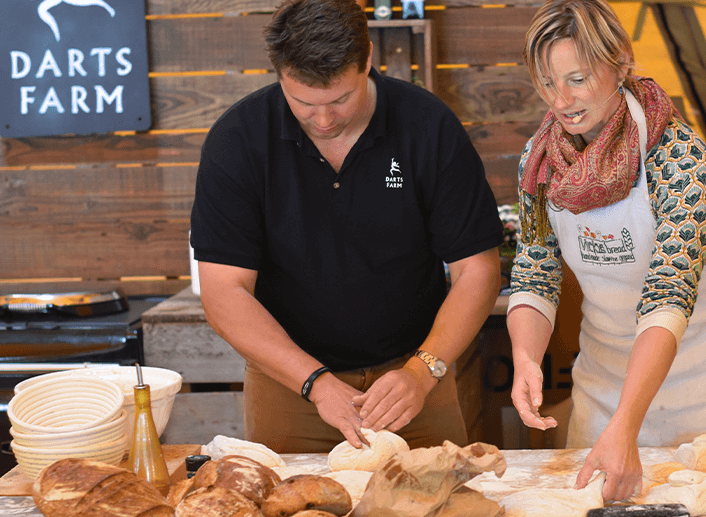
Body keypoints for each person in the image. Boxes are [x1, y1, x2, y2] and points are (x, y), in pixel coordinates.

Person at [190, 0, 502, 453]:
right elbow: (224, 292)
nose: (323, 119)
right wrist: (314, 382)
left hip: (414, 378)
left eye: (340, 99)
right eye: (302, 102)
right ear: (279, 75)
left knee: (437, 516)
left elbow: (478, 270)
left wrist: (421, 371)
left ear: (367, 60)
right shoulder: (237, 140)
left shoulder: (428, 125)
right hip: (289, 384)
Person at [507, 0, 706, 501]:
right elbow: (535, 271)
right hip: (605, 378)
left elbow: (668, 292)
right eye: (546, 83)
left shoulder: (679, 155)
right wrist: (525, 358)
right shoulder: (539, 158)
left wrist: (627, 426)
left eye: (577, 78)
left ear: (620, 61)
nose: (561, 100)